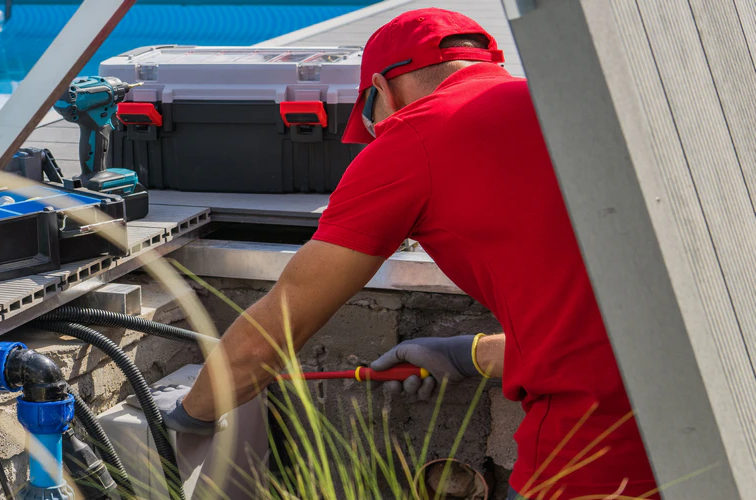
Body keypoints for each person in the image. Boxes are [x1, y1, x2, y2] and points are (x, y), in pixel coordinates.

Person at [155, 8, 659, 499]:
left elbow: (271, 334)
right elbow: (593, 313)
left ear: (382, 90)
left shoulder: (414, 135)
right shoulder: (568, 102)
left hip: (599, 433)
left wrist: (190, 413)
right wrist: (468, 354)